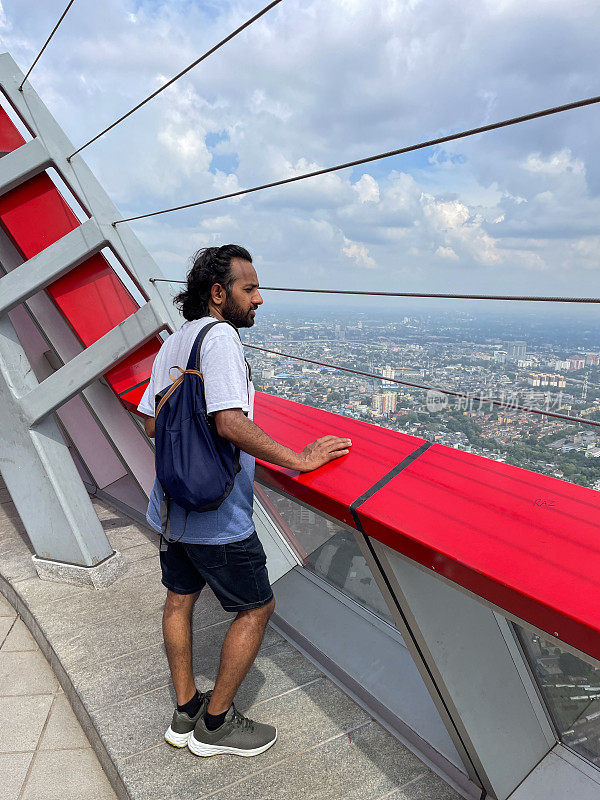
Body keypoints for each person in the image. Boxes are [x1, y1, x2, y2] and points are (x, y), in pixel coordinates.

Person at [138, 245, 351, 758]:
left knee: (178, 601)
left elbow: (150, 422)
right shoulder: (222, 339)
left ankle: (185, 708)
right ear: (219, 294)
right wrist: (298, 460)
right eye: (249, 288)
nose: (260, 299)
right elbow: (230, 422)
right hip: (218, 517)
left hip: (169, 507)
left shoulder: (175, 343)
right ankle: (216, 725)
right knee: (256, 606)